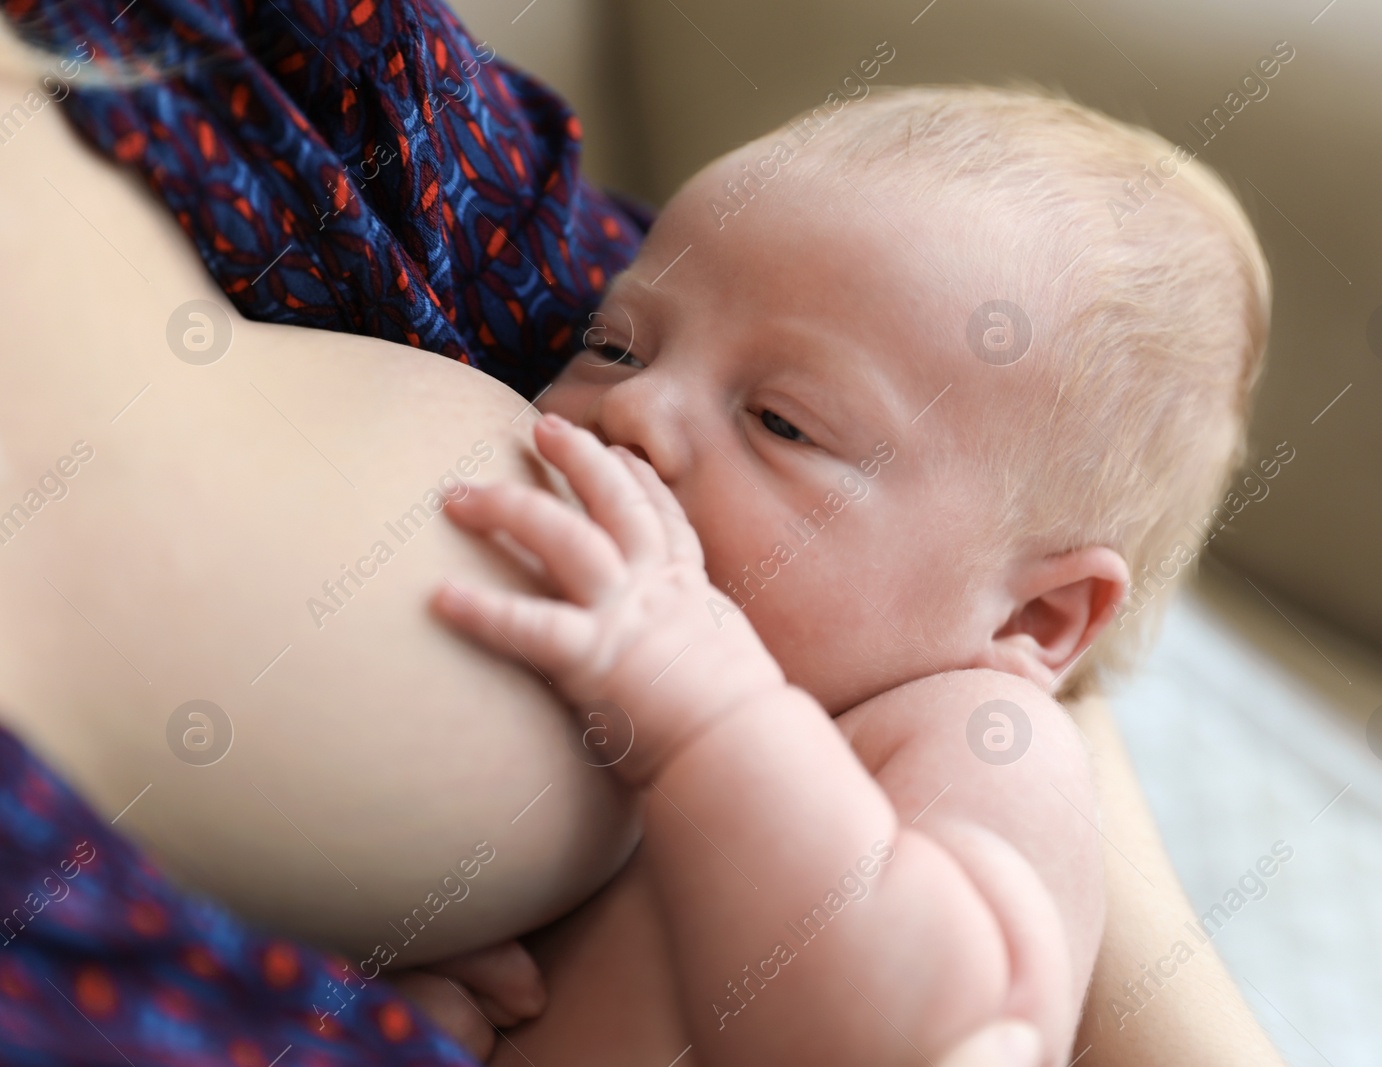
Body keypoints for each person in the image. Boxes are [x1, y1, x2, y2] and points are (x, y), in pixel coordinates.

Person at [0, 7, 1285, 1066]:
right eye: (614, 340)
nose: (640, 412)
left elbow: (935, 1036)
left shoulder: (970, 744)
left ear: (1034, 621)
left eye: (781, 420)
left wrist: (711, 713)